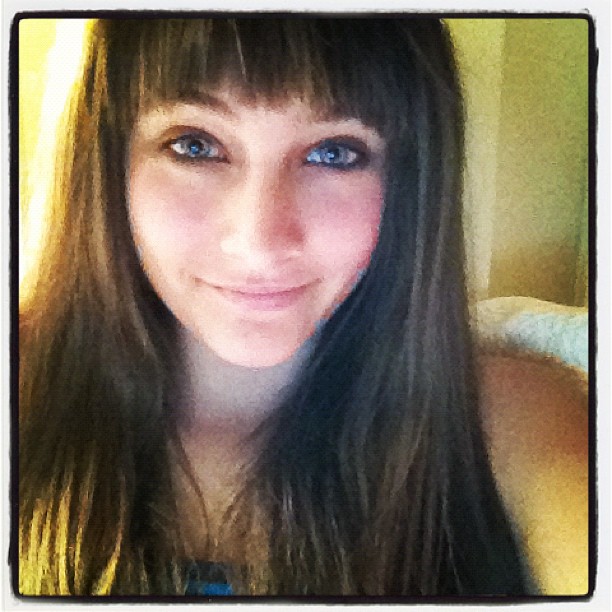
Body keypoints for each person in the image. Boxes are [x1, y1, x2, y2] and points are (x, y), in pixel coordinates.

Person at [17, 17, 588, 597]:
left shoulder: (519, 424)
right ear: (107, 165)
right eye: (195, 145)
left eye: (334, 153)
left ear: (409, 182)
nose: (260, 242)